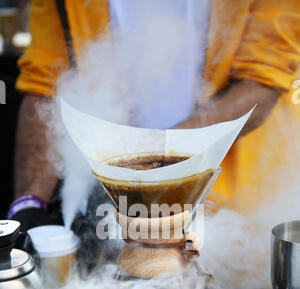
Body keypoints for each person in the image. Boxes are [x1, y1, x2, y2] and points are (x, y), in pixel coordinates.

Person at [8, 0, 300, 230]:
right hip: (120, 210)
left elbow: (259, 84)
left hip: (239, 206)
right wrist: (29, 204)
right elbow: (45, 86)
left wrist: (145, 165)